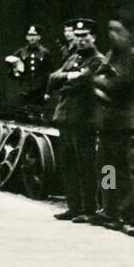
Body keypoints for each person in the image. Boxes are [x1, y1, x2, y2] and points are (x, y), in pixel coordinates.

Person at [47, 18, 106, 223]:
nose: (80, 40)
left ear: (94, 37)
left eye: (85, 36)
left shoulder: (98, 60)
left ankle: (89, 209)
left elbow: (86, 81)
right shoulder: (73, 59)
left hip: (84, 119)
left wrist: (67, 78)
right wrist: (69, 77)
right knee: (69, 164)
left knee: (85, 164)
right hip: (66, 118)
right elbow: (53, 79)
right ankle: (74, 207)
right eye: (78, 36)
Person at [91, 20, 134, 235]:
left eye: (117, 31)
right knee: (106, 167)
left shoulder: (131, 57)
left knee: (120, 169)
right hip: (108, 121)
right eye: (110, 31)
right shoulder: (113, 54)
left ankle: (128, 215)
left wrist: (97, 80)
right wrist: (101, 77)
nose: (113, 35)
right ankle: (109, 210)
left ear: (128, 34)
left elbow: (117, 85)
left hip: (121, 123)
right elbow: (103, 75)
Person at [5, 24, 53, 112]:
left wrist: (47, 92)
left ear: (39, 37)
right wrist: (15, 72)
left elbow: (49, 73)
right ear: (26, 37)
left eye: (34, 35)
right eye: (30, 35)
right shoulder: (21, 52)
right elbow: (12, 71)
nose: (32, 38)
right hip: (24, 90)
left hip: (39, 91)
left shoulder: (45, 53)